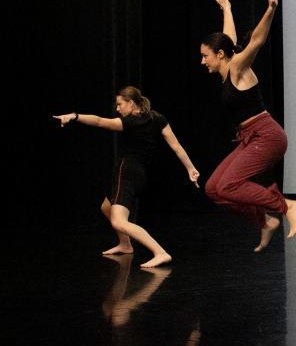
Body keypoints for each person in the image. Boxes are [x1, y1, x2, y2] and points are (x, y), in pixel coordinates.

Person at [200, 0, 296, 252]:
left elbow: (257, 40)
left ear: (219, 55)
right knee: (213, 189)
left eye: (205, 56)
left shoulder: (237, 67)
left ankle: (287, 204)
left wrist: (271, 8)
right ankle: (265, 222)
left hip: (268, 136)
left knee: (231, 185)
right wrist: (227, 9)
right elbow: (229, 38)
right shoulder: (226, 64)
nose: (202, 61)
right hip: (250, 138)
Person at [54, 86, 200, 267]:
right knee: (106, 206)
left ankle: (160, 252)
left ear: (131, 103)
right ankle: (125, 244)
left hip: (128, 171)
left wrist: (74, 116)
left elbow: (99, 121)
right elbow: (176, 146)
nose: (117, 109)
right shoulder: (157, 117)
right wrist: (190, 168)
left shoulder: (130, 122)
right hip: (140, 174)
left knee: (118, 221)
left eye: (120, 104)